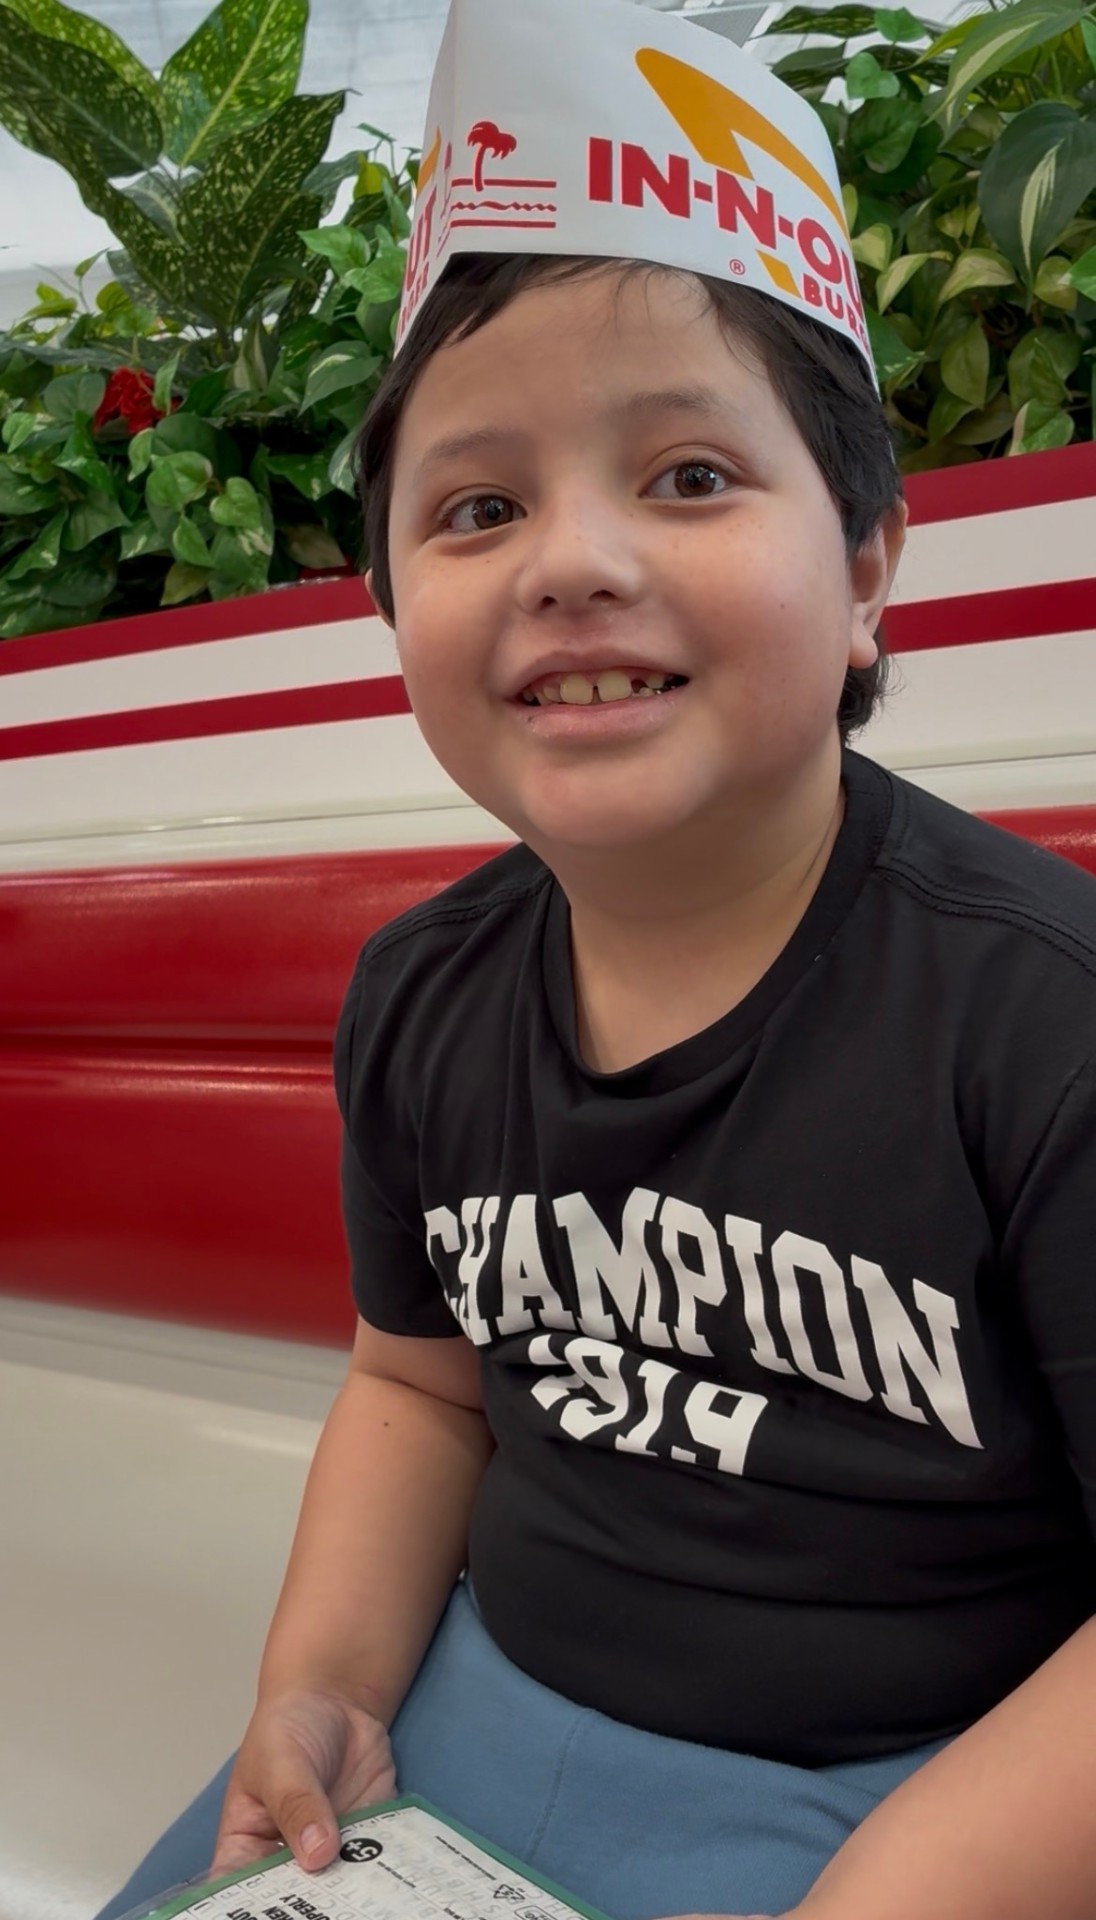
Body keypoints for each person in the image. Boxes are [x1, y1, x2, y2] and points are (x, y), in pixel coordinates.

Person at [96, 1, 1096, 1917]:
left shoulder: (1039, 1021)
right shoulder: (421, 1002)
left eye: (690, 478)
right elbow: (419, 1389)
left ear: (874, 561)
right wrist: (314, 1687)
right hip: (470, 1719)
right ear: (395, 608)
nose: (571, 558)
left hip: (936, 1792)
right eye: (478, 507)